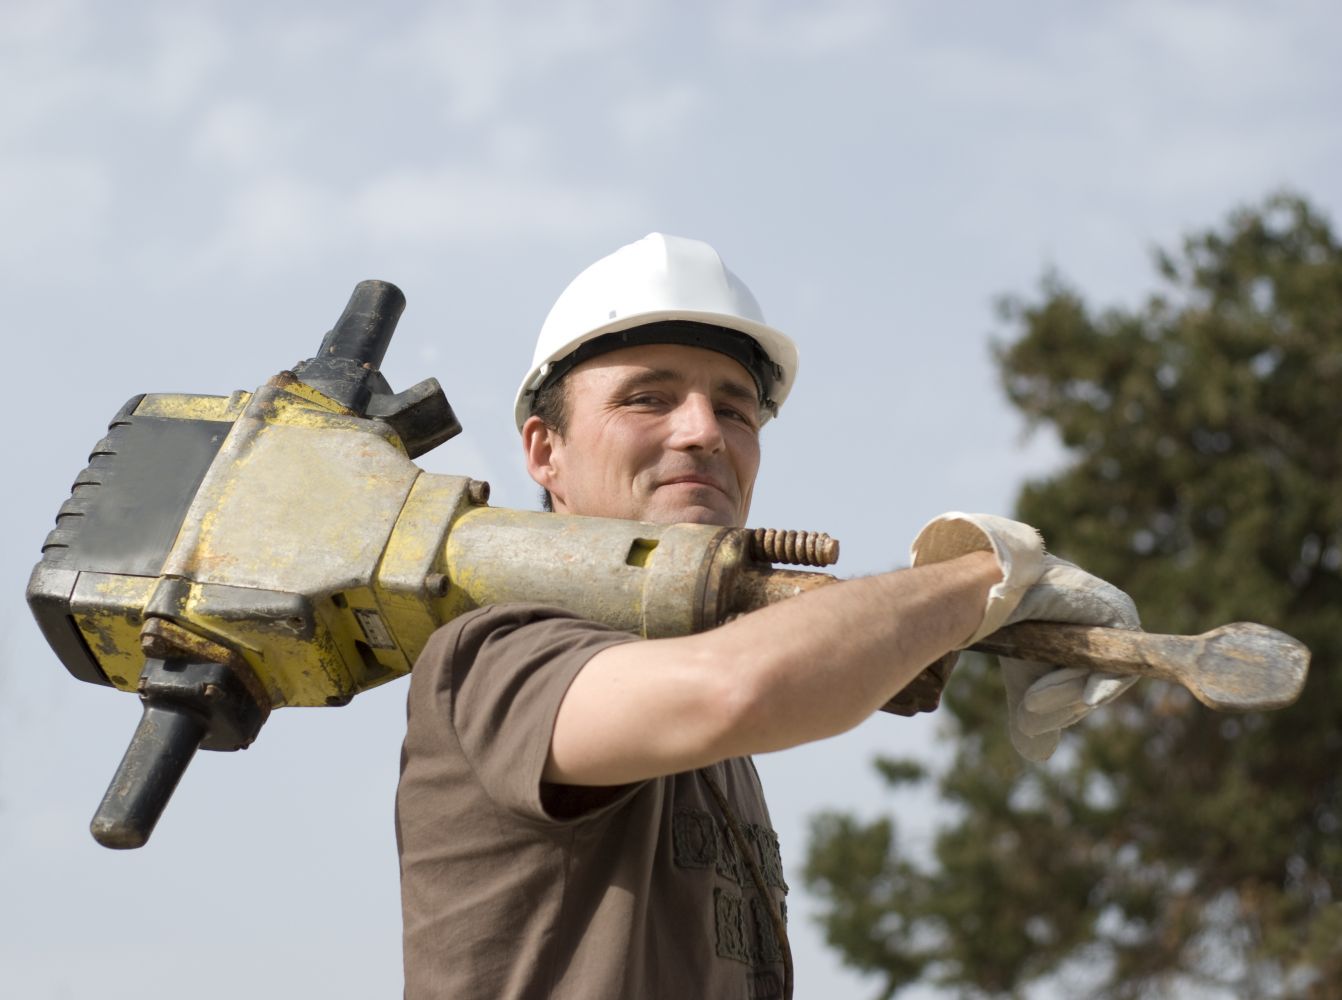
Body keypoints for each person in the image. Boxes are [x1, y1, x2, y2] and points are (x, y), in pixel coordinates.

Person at [395, 233, 1140, 999]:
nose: (704, 432)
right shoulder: (495, 653)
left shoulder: (711, 739)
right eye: (647, 398)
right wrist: (988, 579)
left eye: (734, 408)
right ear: (544, 452)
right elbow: (733, 688)